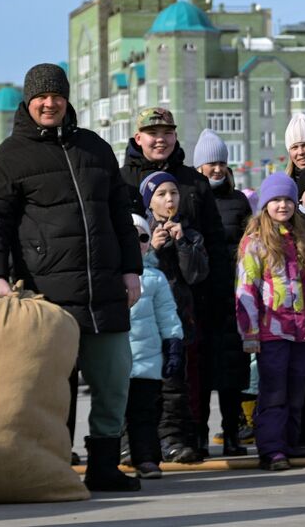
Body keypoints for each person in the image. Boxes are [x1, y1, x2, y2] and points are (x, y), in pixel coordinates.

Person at [0, 62, 143, 493]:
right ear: (28, 102)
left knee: (113, 380)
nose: (49, 104)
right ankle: (54, 466)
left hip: (104, 290)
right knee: (52, 391)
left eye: (57, 96)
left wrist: (131, 270)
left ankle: (104, 465)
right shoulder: (10, 157)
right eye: (41, 97)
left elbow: (120, 215)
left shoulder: (95, 148)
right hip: (46, 294)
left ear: (68, 99)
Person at [235, 173, 305, 470]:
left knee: (297, 391)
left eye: (288, 199)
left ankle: (290, 442)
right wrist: (249, 332)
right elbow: (246, 289)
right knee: (274, 392)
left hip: (300, 330)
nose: (283, 205)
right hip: (270, 331)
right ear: (265, 204)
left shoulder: (300, 240)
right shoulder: (255, 243)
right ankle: (271, 449)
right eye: (276, 200)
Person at [136, 165, 210, 463]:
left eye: (174, 193)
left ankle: (173, 439)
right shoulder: (139, 232)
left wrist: (182, 244)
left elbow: (195, 275)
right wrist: (151, 247)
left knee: (175, 385)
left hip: (178, 322)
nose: (169, 200)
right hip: (144, 326)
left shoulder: (190, 234)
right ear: (149, 202)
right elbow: (135, 271)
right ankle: (144, 442)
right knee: (145, 386)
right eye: (162, 194)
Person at [192, 128, 253, 456]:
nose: (217, 169)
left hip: (233, 294)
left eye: (221, 163)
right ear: (199, 166)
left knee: (233, 371)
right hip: (202, 295)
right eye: (211, 163)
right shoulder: (192, 198)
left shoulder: (238, 200)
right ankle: (199, 434)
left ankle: (232, 433)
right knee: (201, 370)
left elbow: (250, 243)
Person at [125, 215, 185, 479]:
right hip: (117, 359)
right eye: (131, 236)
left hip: (148, 360)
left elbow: (168, 315)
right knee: (114, 411)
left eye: (143, 237)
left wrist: (173, 345)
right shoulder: (107, 274)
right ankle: (118, 451)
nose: (138, 243)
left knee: (145, 411)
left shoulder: (155, 277)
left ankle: (147, 458)